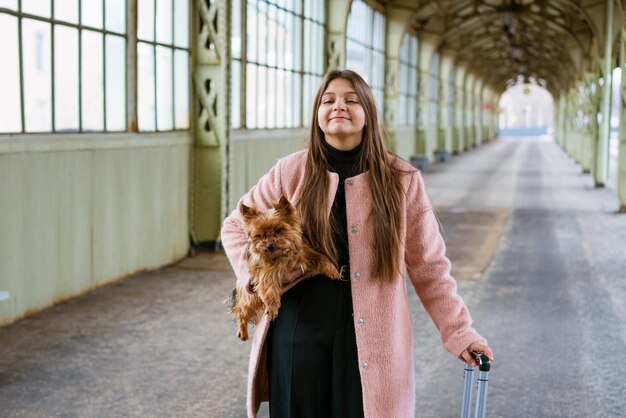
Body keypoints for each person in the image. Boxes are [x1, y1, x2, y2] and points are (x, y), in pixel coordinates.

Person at [221, 69, 493, 418]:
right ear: (317, 114)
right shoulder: (291, 172)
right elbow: (234, 226)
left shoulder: (402, 179)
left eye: (351, 100)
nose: (339, 106)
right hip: (299, 327)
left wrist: (461, 333)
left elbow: (430, 266)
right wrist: (255, 276)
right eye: (328, 100)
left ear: (368, 114)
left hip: (373, 332)